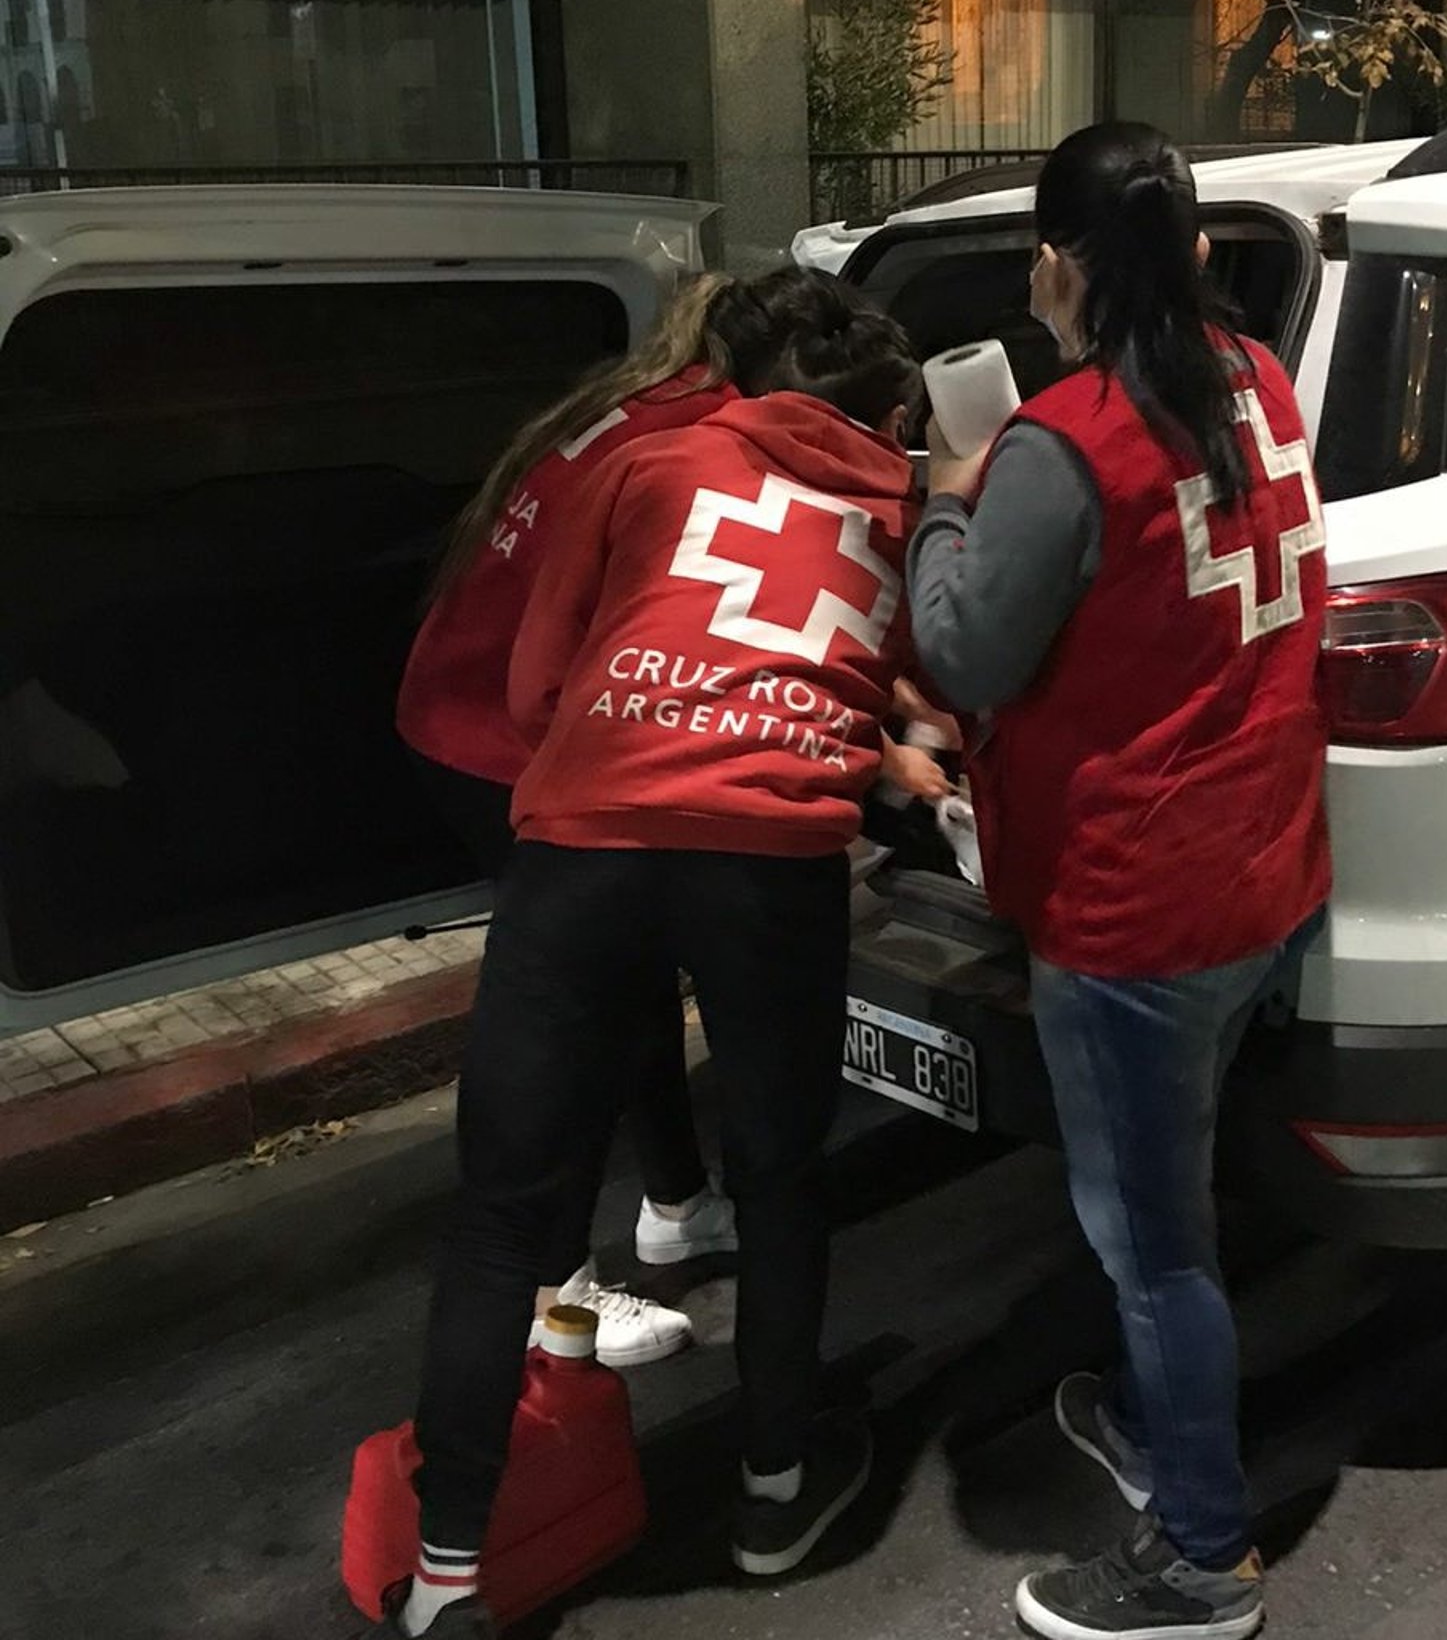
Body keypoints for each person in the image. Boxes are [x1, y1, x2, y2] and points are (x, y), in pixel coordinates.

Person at [380, 282, 923, 1638]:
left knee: (505, 1214)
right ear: (884, 406)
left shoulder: (645, 456)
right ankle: (775, 1493)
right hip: (769, 859)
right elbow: (919, 677)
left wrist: (625, 740)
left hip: (587, 840)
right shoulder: (903, 514)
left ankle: (448, 1575)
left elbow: (531, 687)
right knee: (784, 1181)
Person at [908, 122, 1330, 1640]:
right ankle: (1164, 1437)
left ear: (1058, 263)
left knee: (1154, 1246)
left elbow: (961, 650)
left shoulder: (1064, 441)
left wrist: (949, 497)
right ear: (1202, 253)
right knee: (1178, 1203)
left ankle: (1201, 1559)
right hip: (1261, 868)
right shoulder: (1262, 384)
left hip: (1134, 905)